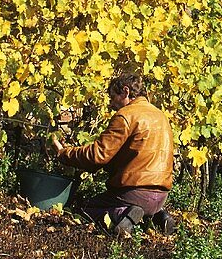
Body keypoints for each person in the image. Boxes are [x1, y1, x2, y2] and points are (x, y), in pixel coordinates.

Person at [51, 70, 175, 237]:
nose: (111, 104)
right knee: (142, 207)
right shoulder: (160, 115)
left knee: (84, 210)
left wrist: (64, 153)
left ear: (125, 91)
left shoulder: (126, 115)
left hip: (133, 193)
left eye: (112, 97)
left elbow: (98, 156)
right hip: (161, 196)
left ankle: (121, 214)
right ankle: (159, 217)